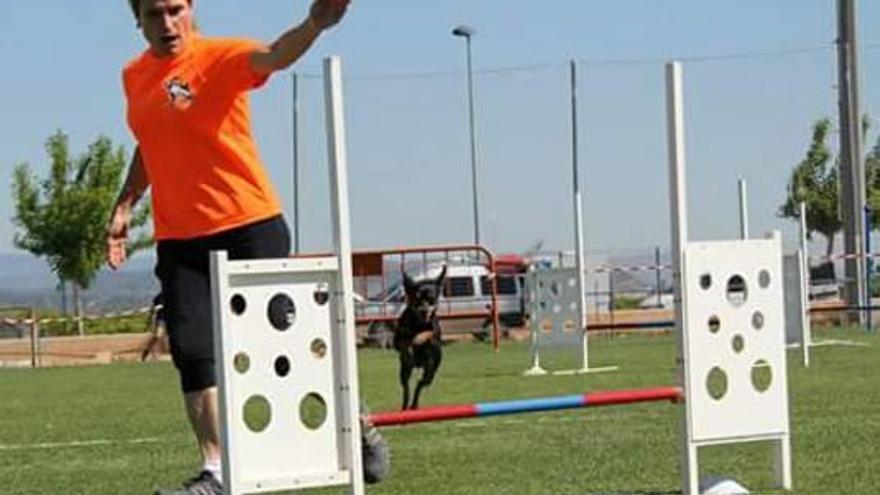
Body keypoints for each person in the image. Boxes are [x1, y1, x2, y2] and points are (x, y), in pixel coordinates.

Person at [106, 1, 387, 493]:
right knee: (194, 353)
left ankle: (353, 419)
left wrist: (315, 24)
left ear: (190, 9)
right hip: (180, 241)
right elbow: (150, 141)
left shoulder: (219, 57)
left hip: (248, 224)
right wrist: (127, 202)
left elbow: (275, 54)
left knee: (284, 349)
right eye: (154, 14)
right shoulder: (134, 76)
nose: (167, 24)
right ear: (137, 19)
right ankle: (217, 472)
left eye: (175, 10)